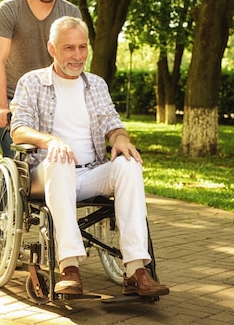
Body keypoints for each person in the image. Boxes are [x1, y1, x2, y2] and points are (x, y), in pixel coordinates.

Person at [9, 16, 169, 297]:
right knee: (60, 160)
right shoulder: (32, 82)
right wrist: (52, 141)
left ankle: (136, 270)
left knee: (129, 165)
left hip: (90, 171)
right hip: (47, 174)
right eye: (69, 48)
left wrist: (121, 138)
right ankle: (69, 266)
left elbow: (112, 122)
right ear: (52, 48)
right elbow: (18, 130)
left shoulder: (96, 84)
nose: (77, 55)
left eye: (82, 47)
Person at [0, 0, 82, 157]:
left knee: (56, 161)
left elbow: (74, 62)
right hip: (15, 98)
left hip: (53, 98)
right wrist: (3, 107)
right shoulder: (9, 10)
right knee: (18, 165)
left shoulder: (70, 13)